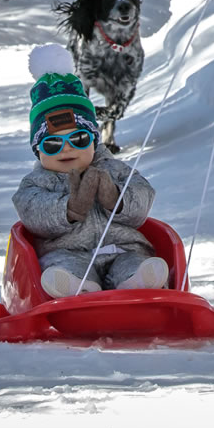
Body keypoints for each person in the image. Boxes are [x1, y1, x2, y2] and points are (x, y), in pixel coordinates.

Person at [12, 44, 168, 298]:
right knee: (61, 266)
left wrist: (115, 198)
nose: (66, 149)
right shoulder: (36, 183)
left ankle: (138, 282)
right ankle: (77, 289)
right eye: (52, 144)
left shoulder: (113, 169)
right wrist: (69, 208)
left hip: (122, 247)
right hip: (66, 251)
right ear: (37, 150)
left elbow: (143, 196)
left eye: (79, 139)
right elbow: (32, 214)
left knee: (133, 261)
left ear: (94, 141)